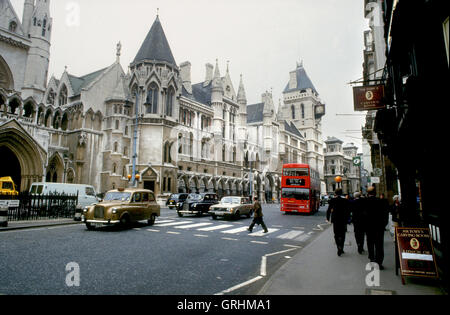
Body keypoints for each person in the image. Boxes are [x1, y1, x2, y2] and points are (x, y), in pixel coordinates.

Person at [365, 187, 389, 270]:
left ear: (368, 193)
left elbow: (362, 215)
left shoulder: (364, 201)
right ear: (375, 193)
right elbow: (386, 214)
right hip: (379, 227)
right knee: (379, 244)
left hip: (369, 227)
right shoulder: (382, 201)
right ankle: (379, 262)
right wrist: (384, 225)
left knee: (370, 243)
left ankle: (372, 259)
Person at [326, 188, 350, 256]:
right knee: (342, 234)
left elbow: (329, 210)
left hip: (335, 220)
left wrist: (328, 218)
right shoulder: (345, 200)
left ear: (335, 193)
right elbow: (348, 210)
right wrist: (348, 219)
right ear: (341, 193)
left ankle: (338, 247)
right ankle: (341, 248)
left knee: (336, 234)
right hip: (343, 220)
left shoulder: (332, 200)